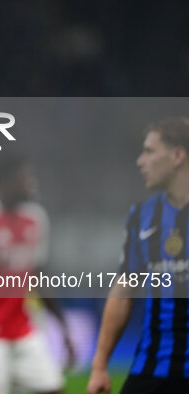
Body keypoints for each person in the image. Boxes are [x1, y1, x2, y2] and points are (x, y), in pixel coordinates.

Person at [87, 118, 189, 394]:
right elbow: (124, 289)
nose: (140, 161)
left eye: (150, 151)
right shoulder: (142, 216)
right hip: (151, 369)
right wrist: (99, 366)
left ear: (178, 155)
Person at [0, 155, 74, 394]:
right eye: (24, 178)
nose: (30, 183)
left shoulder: (35, 219)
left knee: (53, 388)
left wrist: (63, 328)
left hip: (23, 328)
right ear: (5, 182)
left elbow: (39, 276)